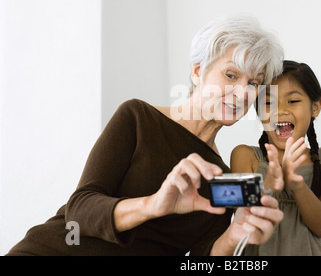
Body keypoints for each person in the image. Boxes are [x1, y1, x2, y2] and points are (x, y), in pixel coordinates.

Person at [6, 14, 284, 256]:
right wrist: (154, 205)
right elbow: (80, 209)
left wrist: (234, 236)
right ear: (198, 71)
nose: (242, 93)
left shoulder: (220, 178)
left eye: (253, 83)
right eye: (231, 75)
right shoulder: (138, 117)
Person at [231, 60, 321, 255]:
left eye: (292, 101)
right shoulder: (245, 156)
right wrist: (268, 185)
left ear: (315, 107)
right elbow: (246, 220)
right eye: (268, 103)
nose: (280, 110)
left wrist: (297, 185)